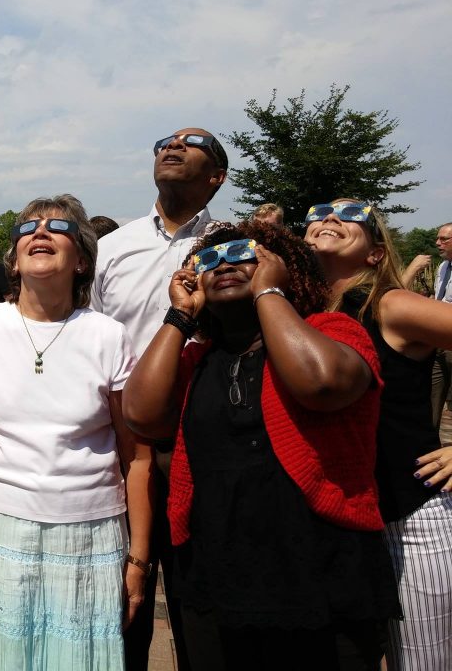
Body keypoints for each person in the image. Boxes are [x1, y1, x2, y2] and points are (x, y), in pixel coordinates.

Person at [123, 221, 399, 670]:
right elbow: (141, 414)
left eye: (244, 254)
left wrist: (269, 295)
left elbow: (321, 383)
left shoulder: (335, 330)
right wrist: (180, 318)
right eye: (208, 260)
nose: (224, 264)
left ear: (283, 269)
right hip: (216, 575)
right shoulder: (196, 360)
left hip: (321, 572)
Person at [0, 194, 154, 671]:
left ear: (81, 259)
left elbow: (136, 456)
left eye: (58, 226)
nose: (39, 232)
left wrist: (138, 560)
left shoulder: (109, 335)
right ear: (13, 262)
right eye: (27, 229)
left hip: (90, 537)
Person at [91, 127, 229, 670]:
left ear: (216, 175)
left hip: (204, 438)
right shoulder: (112, 247)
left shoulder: (233, 244)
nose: (171, 146)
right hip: (125, 444)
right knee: (125, 599)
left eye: (191, 142)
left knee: (203, 601)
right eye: (163, 141)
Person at [305, 199, 452, 670]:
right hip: (341, 522)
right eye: (319, 211)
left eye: (353, 215)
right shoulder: (298, 310)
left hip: (411, 517)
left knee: (421, 662)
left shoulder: (392, 304)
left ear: (375, 253)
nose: (330, 217)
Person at [402, 221, 452, 428]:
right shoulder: (443, 267)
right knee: (431, 393)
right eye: (437, 238)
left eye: (444, 239)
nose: (437, 243)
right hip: (437, 340)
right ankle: (428, 442)